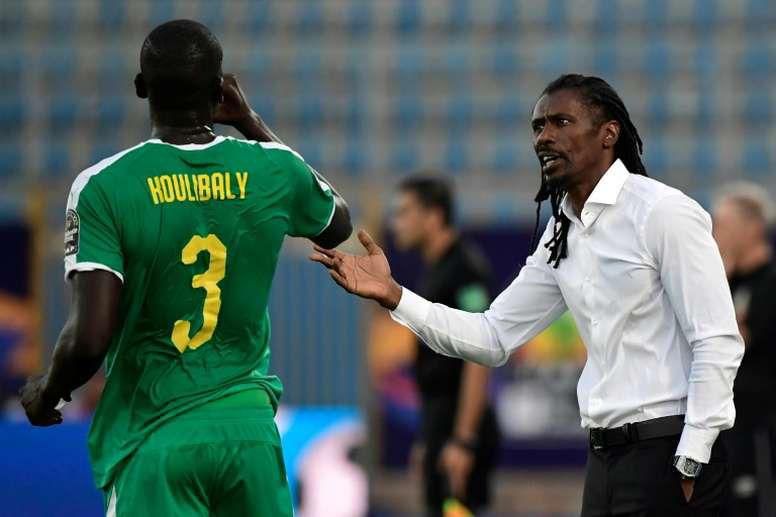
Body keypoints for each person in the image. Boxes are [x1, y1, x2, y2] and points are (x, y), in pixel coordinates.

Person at [311, 74, 744, 516]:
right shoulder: (561, 232)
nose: (545, 137)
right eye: (538, 127)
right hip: (605, 462)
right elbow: (493, 336)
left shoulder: (663, 213)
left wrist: (693, 453)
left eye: (561, 122)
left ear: (608, 134)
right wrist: (395, 296)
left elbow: (717, 340)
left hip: (670, 451)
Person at [19, 20, 352, 517]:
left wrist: (48, 391)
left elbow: (89, 337)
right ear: (222, 91)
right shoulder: (273, 170)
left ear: (140, 88)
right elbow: (337, 223)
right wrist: (252, 122)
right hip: (250, 438)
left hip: (155, 436)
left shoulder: (105, 186)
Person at [391, 176, 500, 516]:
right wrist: (429, 438)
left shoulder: (465, 271)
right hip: (442, 425)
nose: (397, 223)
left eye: (405, 211)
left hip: (461, 427)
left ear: (434, 216)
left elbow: (479, 357)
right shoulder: (437, 270)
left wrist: (463, 441)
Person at [713, 183, 776, 517]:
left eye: (723, 223)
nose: (716, 232)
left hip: (760, 433)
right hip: (725, 431)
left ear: (752, 227)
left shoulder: (769, 284)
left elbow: (731, 343)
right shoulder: (726, 284)